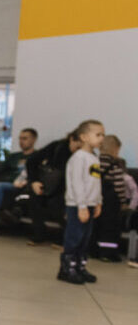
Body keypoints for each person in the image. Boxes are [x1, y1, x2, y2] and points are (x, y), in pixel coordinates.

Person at [59, 120, 104, 284]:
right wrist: (82, 206)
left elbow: (96, 182)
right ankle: (66, 269)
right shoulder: (78, 158)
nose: (101, 138)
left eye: (103, 135)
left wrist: (98, 202)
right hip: (78, 205)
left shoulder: (94, 157)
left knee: (85, 238)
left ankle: (79, 266)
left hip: (90, 204)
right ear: (84, 137)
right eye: (98, 134)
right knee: (74, 237)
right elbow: (76, 183)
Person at [25, 131, 82, 246]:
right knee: (35, 199)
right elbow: (31, 161)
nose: (78, 150)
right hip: (49, 185)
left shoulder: (84, 155)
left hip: (66, 190)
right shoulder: (56, 147)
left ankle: (65, 239)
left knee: (57, 206)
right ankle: (39, 234)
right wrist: (34, 181)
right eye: (77, 146)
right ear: (71, 139)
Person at [92, 135, 128, 262]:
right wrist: (123, 201)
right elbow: (119, 185)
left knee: (96, 226)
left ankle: (93, 250)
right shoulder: (115, 165)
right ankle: (108, 253)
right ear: (115, 148)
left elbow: (92, 181)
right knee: (110, 228)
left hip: (96, 198)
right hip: (111, 202)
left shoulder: (94, 161)